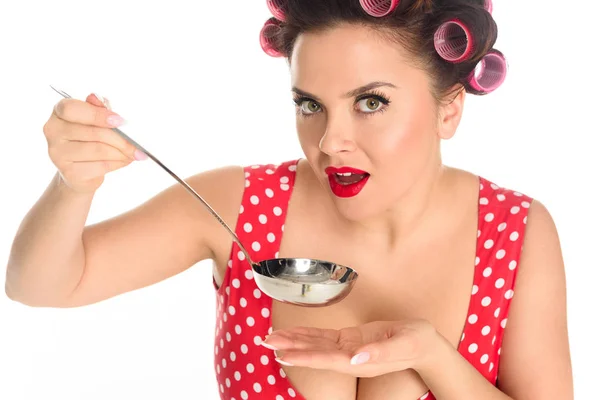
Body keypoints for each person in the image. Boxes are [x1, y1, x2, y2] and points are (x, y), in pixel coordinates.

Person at [4, 0, 573, 399]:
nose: (329, 142)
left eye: (370, 103)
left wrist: (432, 357)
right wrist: (74, 183)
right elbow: (39, 285)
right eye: (309, 104)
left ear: (449, 108)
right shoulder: (238, 205)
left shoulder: (515, 232)